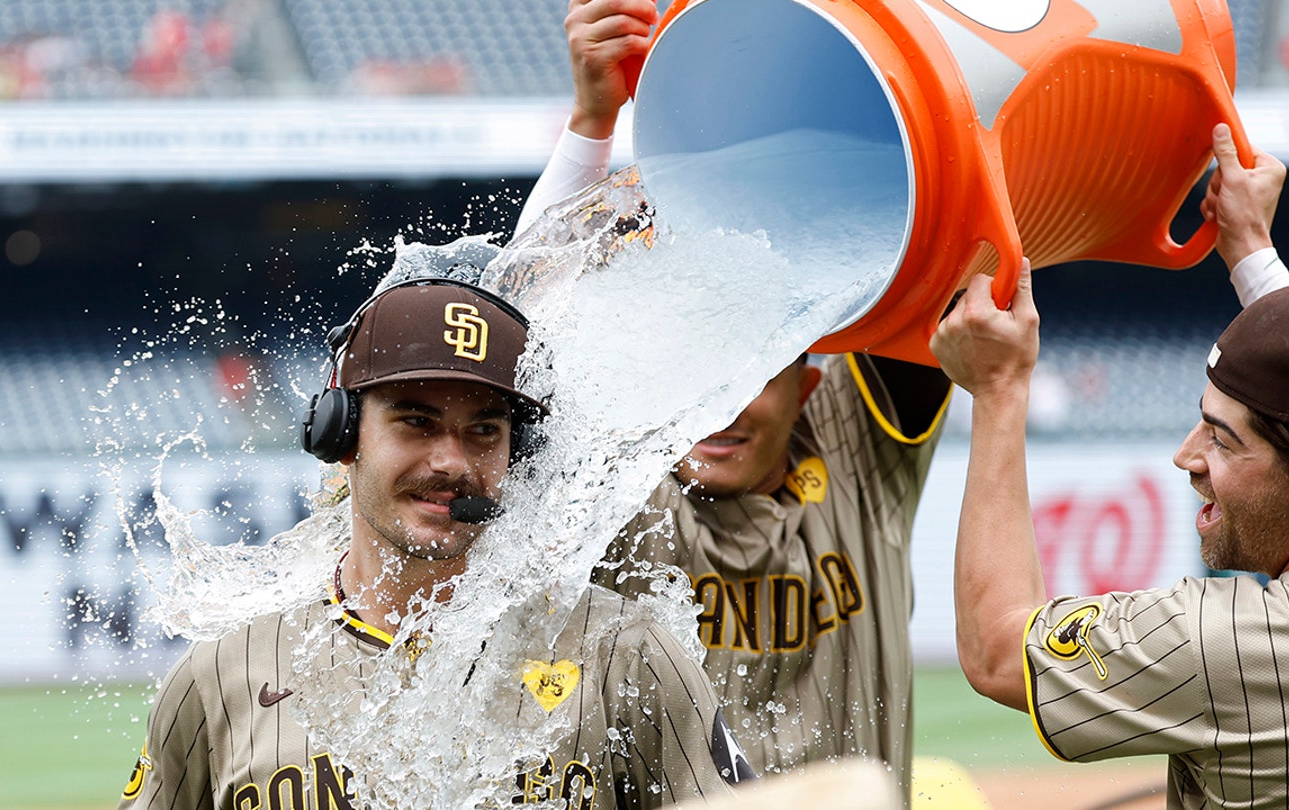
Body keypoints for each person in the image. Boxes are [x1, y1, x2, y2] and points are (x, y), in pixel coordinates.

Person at [512, 0, 955, 795]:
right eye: (696, 369)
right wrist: (592, 122)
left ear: (811, 388)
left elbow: (935, 231)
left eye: (750, 373)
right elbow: (520, 340)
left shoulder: (859, 450)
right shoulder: (618, 483)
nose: (717, 406)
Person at [117, 278, 746, 809]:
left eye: (483, 430)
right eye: (415, 422)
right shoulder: (219, 671)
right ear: (342, 436)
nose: (451, 461)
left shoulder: (621, 652)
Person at [929, 126, 1289, 807]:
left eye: (1222, 440)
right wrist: (1251, 253)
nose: (1186, 456)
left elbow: (996, 647)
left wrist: (998, 389)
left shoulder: (1242, 644)